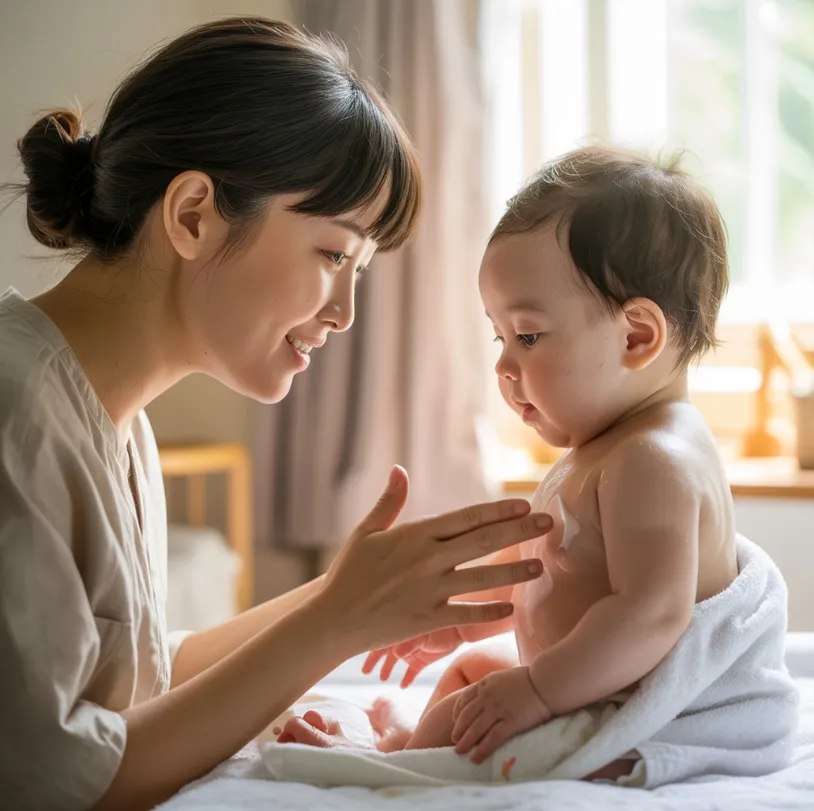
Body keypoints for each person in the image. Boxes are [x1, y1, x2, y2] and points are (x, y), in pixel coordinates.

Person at [0, 18, 554, 811]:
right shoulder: (15, 412)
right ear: (193, 214)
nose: (345, 312)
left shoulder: (111, 418)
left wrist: (348, 597)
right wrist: (331, 621)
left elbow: (145, 672)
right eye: (334, 254)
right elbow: (61, 783)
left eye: (359, 268)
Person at [280, 146, 739, 780]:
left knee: (474, 703)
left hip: (621, 709)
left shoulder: (653, 460)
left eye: (527, 336)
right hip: (575, 683)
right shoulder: (606, 447)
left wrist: (540, 691)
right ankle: (412, 741)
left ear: (636, 337)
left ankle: (394, 765)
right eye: (500, 337)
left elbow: (651, 612)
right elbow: (553, 562)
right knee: (470, 673)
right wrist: (460, 623)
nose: (503, 365)